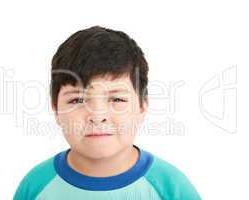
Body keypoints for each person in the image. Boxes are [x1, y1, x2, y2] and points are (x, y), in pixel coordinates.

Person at [13, 25, 201, 200]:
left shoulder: (171, 188)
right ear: (55, 109)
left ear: (142, 106)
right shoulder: (35, 187)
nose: (97, 115)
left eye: (117, 99)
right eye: (77, 100)